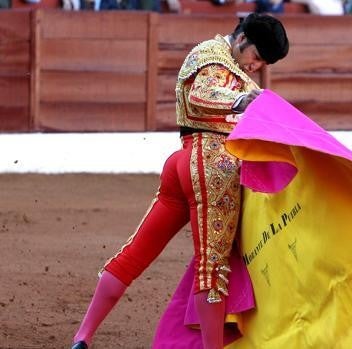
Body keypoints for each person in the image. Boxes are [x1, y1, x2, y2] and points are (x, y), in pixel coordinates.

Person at [70, 13, 289, 349]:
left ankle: (83, 336)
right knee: (212, 267)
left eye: (262, 64)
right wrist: (241, 101)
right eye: (256, 57)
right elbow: (200, 96)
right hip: (212, 166)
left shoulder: (221, 62)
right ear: (242, 38)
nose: (255, 67)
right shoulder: (212, 57)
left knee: (137, 251)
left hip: (182, 164)